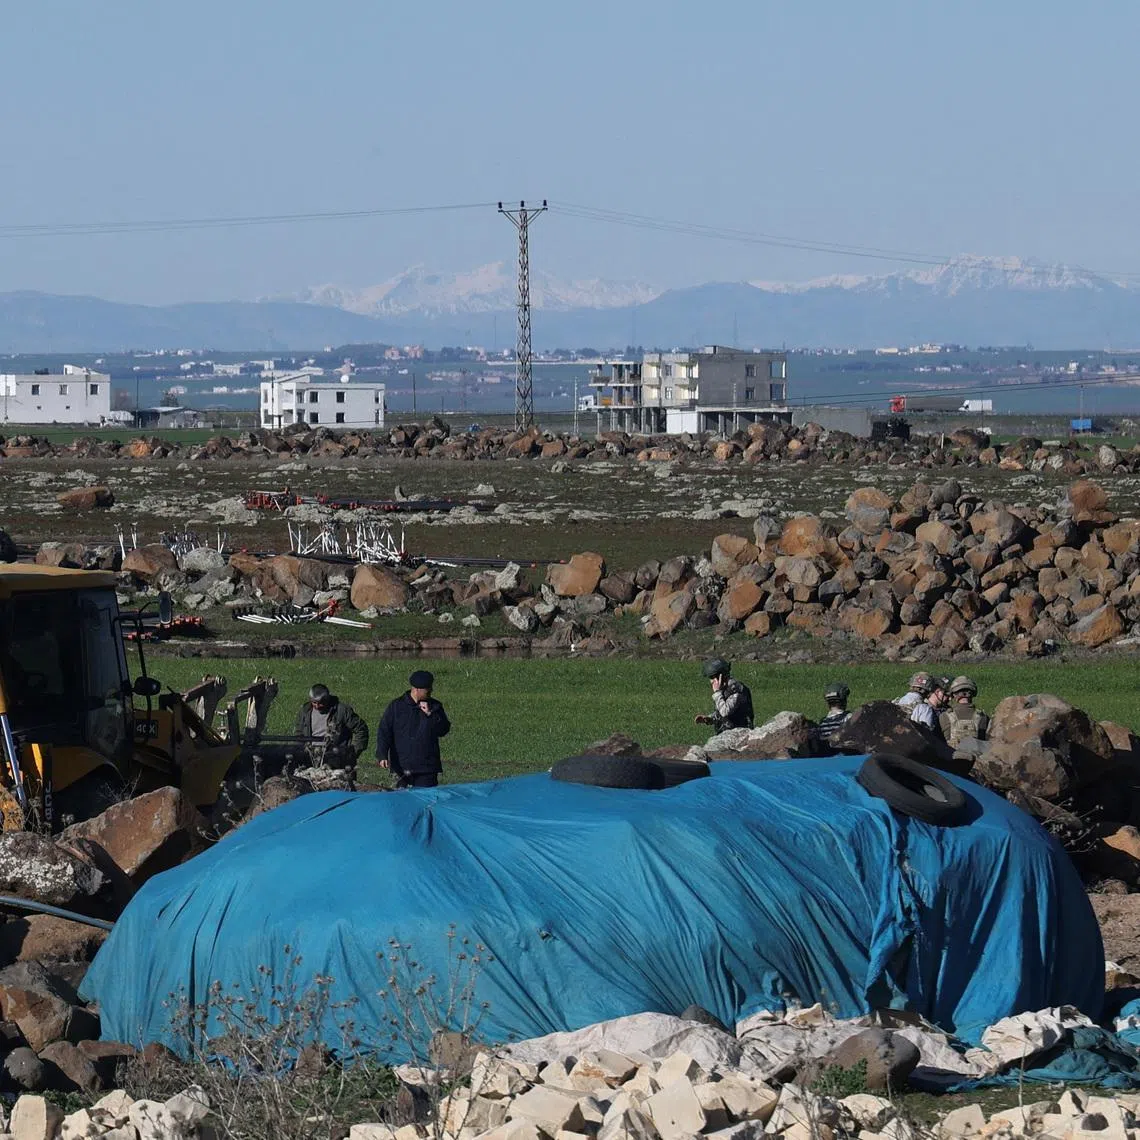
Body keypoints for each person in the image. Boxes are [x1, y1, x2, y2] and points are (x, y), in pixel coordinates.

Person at [376, 670, 451, 789]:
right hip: (401, 767)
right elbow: (384, 731)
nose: (431, 690)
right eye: (428, 689)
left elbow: (444, 730)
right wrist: (382, 754)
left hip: (427, 768)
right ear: (417, 689)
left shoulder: (435, 707)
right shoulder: (396, 707)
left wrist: (430, 715)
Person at [293, 683, 368, 772]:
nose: (317, 706)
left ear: (327, 699)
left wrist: (352, 753)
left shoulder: (342, 710)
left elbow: (361, 729)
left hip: (336, 759)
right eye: (314, 703)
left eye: (321, 703)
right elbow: (299, 734)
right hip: (310, 758)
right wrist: (300, 752)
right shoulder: (305, 711)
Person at [694, 658, 754, 732]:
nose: (711, 682)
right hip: (727, 733)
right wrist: (710, 718)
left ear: (720, 677)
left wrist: (717, 693)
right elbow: (722, 713)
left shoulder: (736, 690)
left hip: (739, 734)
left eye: (712, 678)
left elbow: (725, 712)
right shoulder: (724, 689)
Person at [940, 676, 989, 748]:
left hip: (952, 757)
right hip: (977, 757)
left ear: (954, 694)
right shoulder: (983, 717)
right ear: (973, 694)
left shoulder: (944, 716)